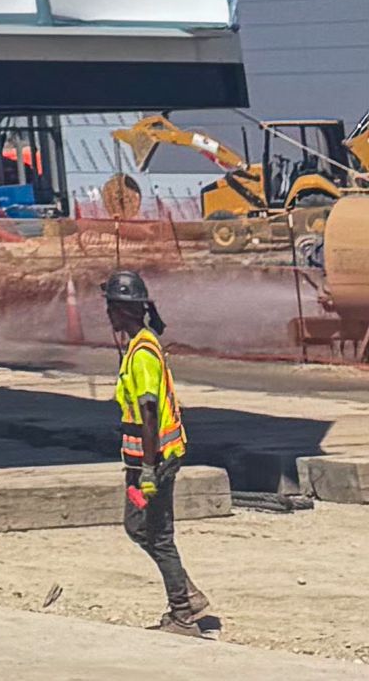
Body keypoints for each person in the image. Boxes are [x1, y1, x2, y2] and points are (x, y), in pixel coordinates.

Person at [105, 268, 218, 635]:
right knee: (139, 527)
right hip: (144, 460)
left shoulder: (142, 353)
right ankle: (187, 595)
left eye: (110, 307)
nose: (107, 314)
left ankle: (183, 612)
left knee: (156, 534)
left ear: (122, 310)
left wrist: (150, 469)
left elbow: (150, 411)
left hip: (155, 461)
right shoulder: (141, 345)